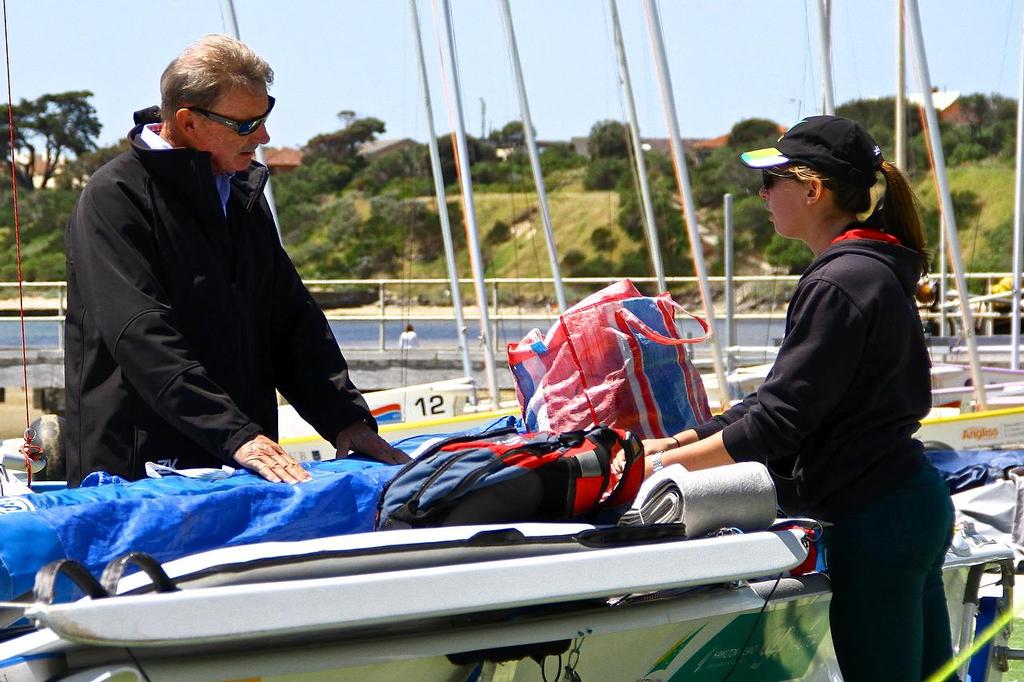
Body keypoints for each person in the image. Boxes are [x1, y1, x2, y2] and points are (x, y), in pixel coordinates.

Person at [636, 116, 957, 681]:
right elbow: (785, 402)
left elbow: (779, 423)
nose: (762, 194)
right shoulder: (871, 271)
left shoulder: (839, 283)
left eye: (772, 180)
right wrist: (683, 439)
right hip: (908, 501)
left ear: (812, 190)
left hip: (876, 516)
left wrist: (655, 467)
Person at [64, 34, 408, 487]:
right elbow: (141, 334)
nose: (264, 137)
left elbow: (290, 322)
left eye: (265, 117)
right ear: (188, 122)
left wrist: (346, 421)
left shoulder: (241, 193)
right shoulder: (114, 197)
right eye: (247, 125)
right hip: (136, 478)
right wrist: (237, 435)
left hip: (241, 464)